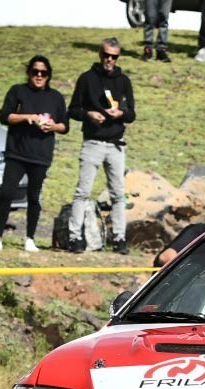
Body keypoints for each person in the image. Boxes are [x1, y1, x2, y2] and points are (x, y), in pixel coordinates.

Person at [0, 56, 68, 254]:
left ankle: (30, 238)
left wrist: (51, 125)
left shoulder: (55, 97)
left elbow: (65, 126)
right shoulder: (17, 91)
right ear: (29, 73)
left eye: (43, 73)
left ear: (48, 75)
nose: (39, 76)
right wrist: (27, 117)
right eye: (35, 72)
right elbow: (5, 116)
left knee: (34, 197)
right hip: (17, 152)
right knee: (6, 193)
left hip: (41, 154)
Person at [67, 38, 136, 255]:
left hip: (116, 144)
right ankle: (74, 236)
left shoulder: (123, 81)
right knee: (83, 191)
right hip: (93, 141)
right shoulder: (87, 79)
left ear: (118, 57)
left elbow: (132, 113)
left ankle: (119, 238)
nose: (109, 60)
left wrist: (121, 113)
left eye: (114, 56)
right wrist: (89, 114)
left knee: (118, 193)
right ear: (100, 54)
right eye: (106, 55)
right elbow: (73, 109)